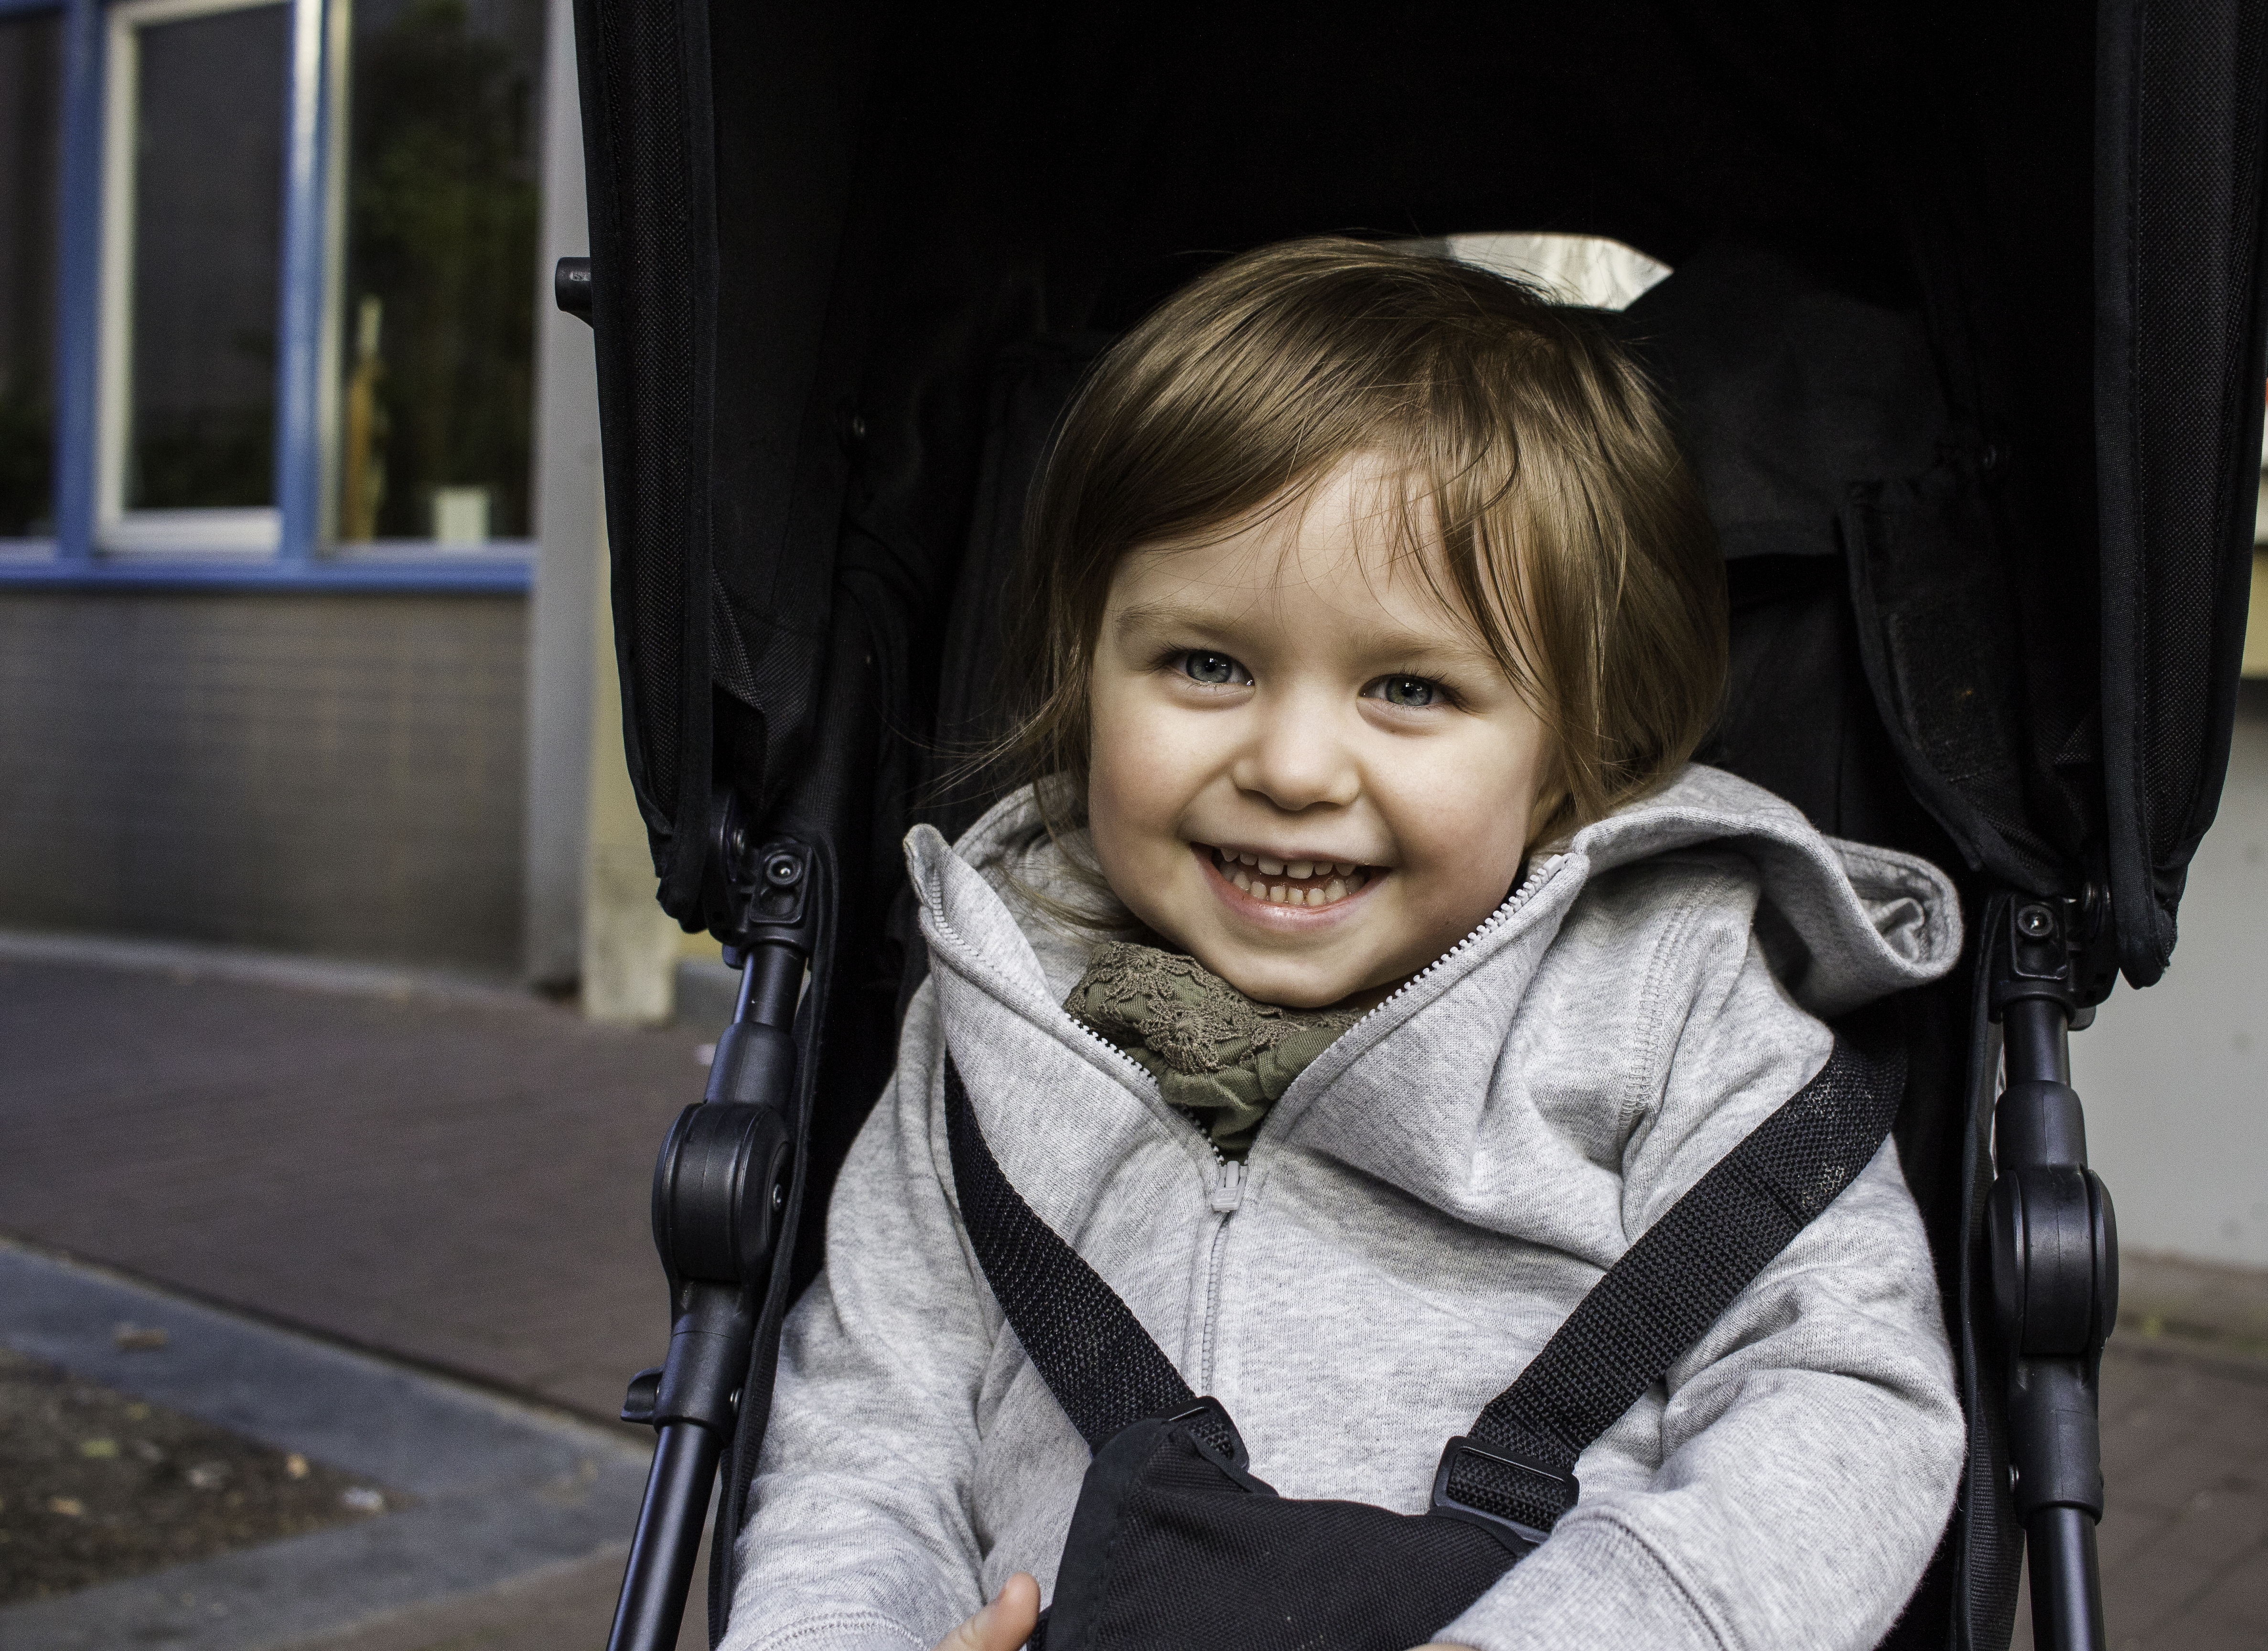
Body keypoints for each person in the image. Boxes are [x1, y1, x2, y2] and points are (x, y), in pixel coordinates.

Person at [721, 237, 1966, 1651]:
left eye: (1410, 687)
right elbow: (872, 1428)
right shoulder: (999, 1005)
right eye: (1206, 664)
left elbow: (1839, 1389)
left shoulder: (1673, 993)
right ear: (1086, 670)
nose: (1295, 766)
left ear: (1575, 749)